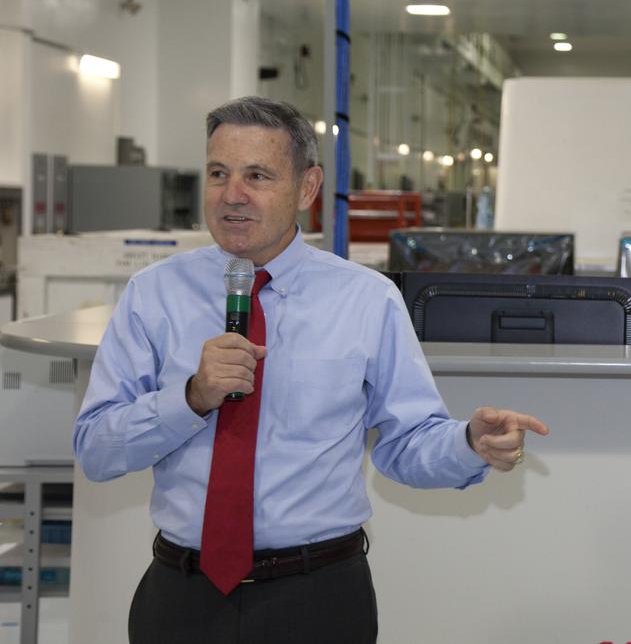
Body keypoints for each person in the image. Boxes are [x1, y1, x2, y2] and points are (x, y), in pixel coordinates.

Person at [73, 96, 548, 644]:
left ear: (307, 188)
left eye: (257, 176)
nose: (232, 194)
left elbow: (407, 442)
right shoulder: (153, 294)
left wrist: (468, 443)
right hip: (182, 597)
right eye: (218, 173)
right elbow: (97, 451)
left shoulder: (366, 298)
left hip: (317, 597)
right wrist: (191, 397)